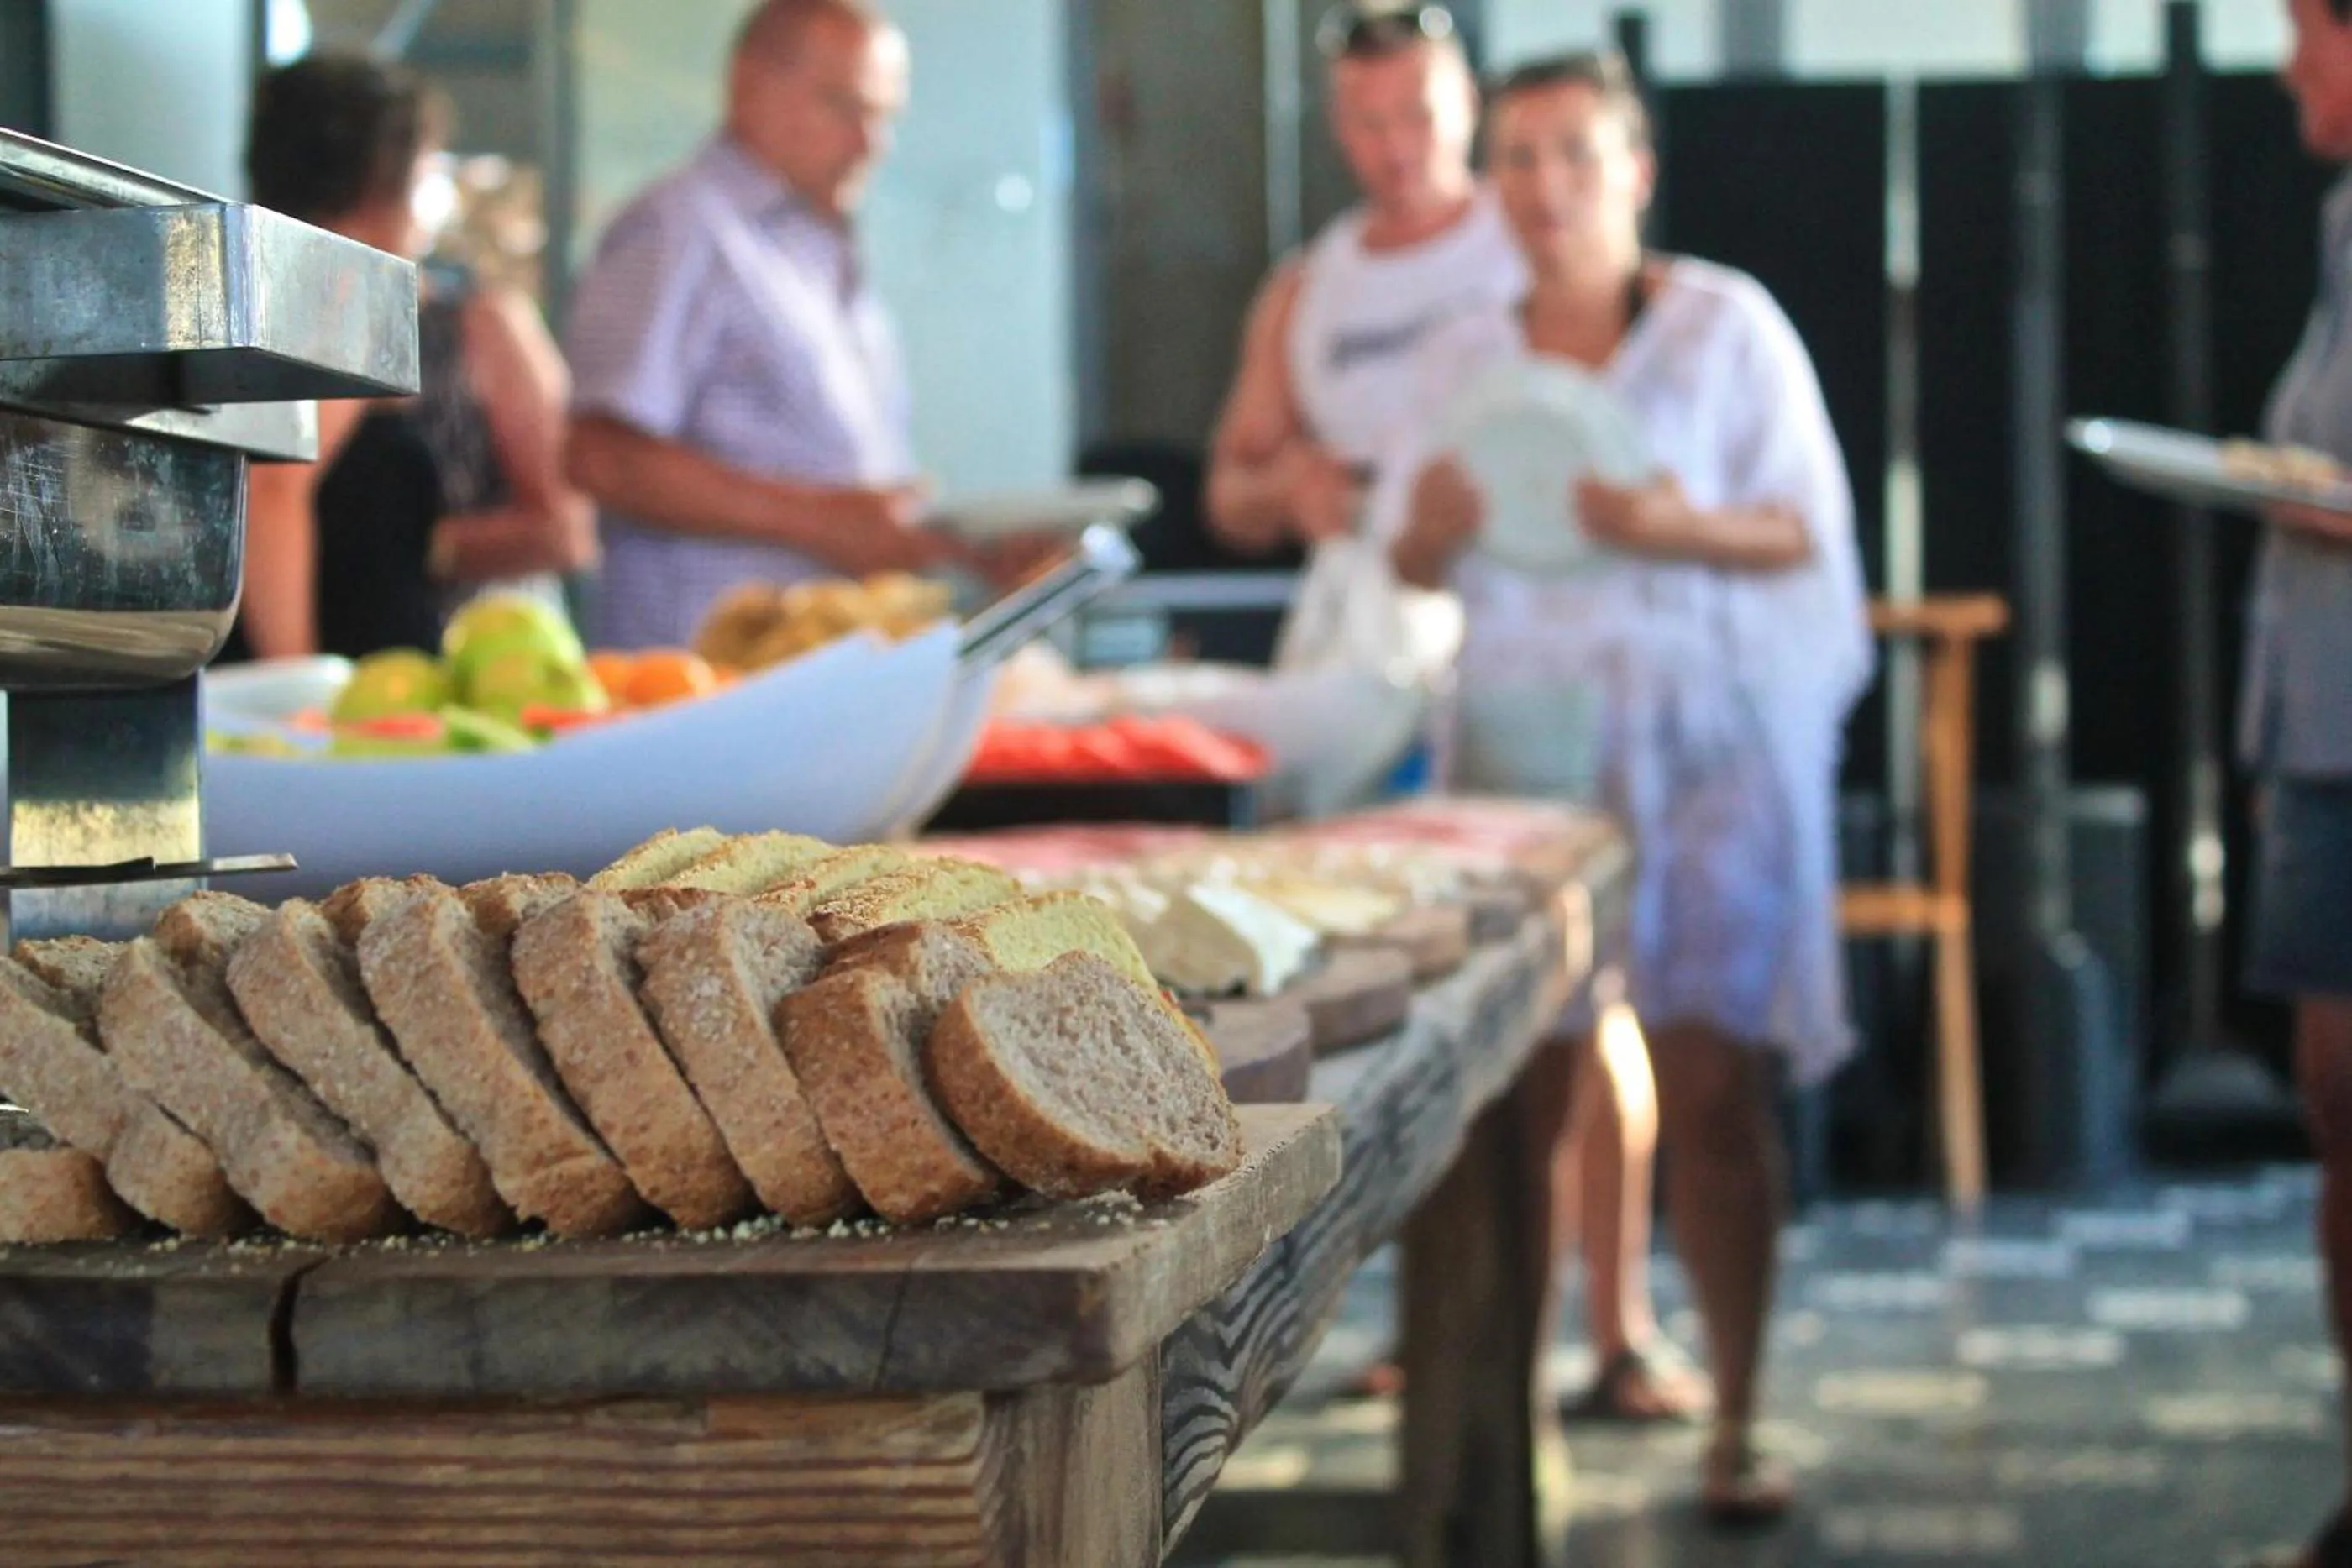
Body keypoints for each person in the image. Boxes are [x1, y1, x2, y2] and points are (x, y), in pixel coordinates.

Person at [1378, 53, 1871, 1519]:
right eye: (1517, 158)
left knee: (1713, 1075)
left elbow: (1802, 533)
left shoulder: (1726, 328)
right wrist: (1428, 526)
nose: (1544, 188)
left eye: (1575, 155)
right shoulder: (1462, 349)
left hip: (1702, 739)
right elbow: (1407, 560)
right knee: (1517, 1086)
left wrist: (1676, 523)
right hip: (1526, 742)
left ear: (1635, 170)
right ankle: (1508, 1426)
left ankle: (1741, 1410)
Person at [1205, 3, 1698, 1425]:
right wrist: (1289, 495)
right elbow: (1230, 486)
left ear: (1467, 108)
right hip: (1354, 658)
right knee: (1380, 975)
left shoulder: (1535, 241)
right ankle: (1445, 1318)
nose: (1396, 151)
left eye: (1421, 120)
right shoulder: (1312, 285)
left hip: (1514, 640)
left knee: (1571, 981)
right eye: (1366, 124)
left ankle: (1616, 1319)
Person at [565, 0, 1000, 651]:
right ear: (749, 87)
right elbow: (603, 455)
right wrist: (820, 521)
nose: (871, 143)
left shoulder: (815, 248)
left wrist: (969, 548)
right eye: (845, 107)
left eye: (884, 117)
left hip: (814, 681)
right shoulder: (679, 227)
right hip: (701, 689)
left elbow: (847, 487)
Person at [234, 53, 596, 662]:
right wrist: (295, 693)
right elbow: (270, 493)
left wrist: (418, 544)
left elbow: (567, 532)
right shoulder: (309, 308)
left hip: (481, 654)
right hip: (333, 672)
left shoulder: (478, 326)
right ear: (392, 180)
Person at [2243, 7, 2352, 1565]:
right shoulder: (2339, 214)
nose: (2288, 68)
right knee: (2337, 1102)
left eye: (2307, 31)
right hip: (2324, 731)